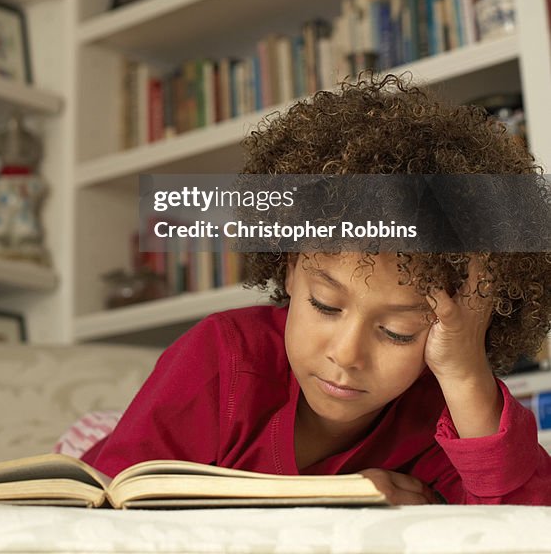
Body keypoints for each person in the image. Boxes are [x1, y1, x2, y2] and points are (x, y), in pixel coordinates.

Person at [80, 76, 551, 504]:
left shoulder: (439, 412)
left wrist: (466, 374)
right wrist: (330, 498)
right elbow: (116, 505)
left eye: (397, 332)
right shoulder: (221, 355)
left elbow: (524, 523)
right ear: (289, 269)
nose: (346, 356)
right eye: (326, 305)